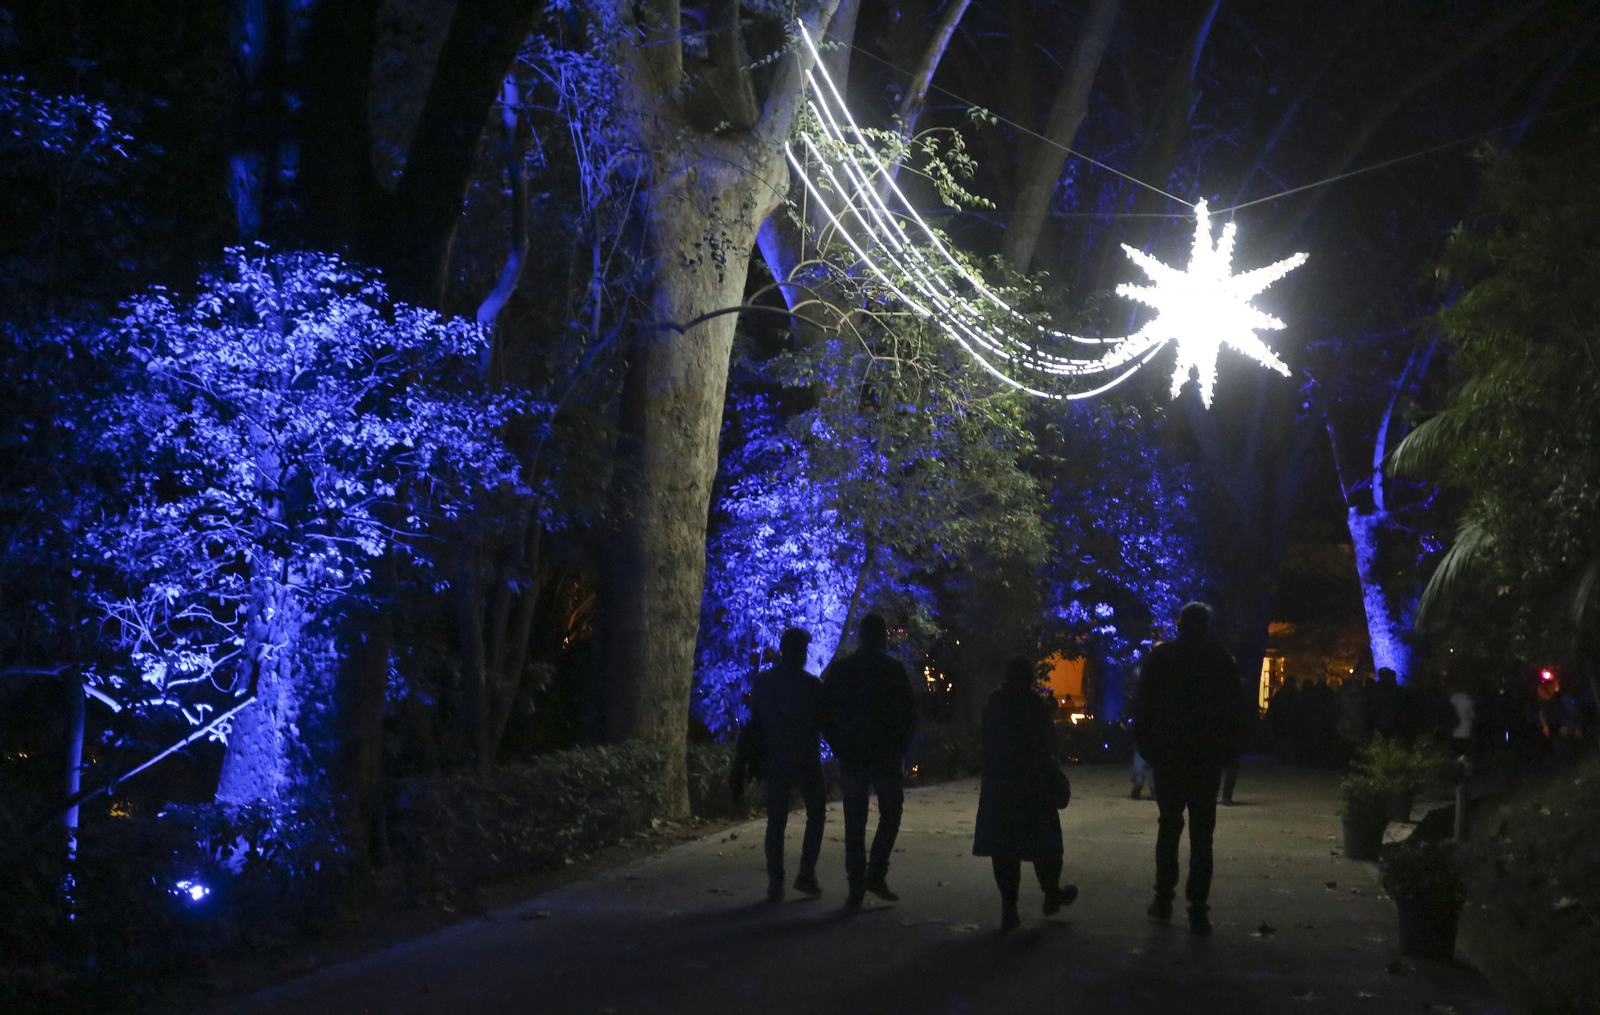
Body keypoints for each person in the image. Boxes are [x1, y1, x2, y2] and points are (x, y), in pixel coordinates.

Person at [1132, 602, 1245, 937]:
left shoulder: (1162, 658)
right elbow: (1234, 712)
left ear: (1180, 624)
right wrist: (1227, 754)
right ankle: (1197, 908)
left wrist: (1148, 749)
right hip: (1205, 758)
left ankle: (1164, 898)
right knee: (1201, 834)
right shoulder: (1219, 660)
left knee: (1169, 827)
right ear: (1206, 626)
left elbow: (1145, 706)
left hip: (1170, 755)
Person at [973, 655, 1079, 931]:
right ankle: (1051, 892)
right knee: (1046, 844)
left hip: (1001, 784)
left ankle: (1010, 909)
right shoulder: (1036, 707)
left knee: (1004, 848)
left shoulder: (993, 705)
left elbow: (985, 743)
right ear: (1031, 678)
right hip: (1033, 783)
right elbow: (1050, 745)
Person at [824, 612, 917, 909]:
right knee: (891, 811)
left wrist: (838, 744)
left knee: (855, 819)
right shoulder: (893, 670)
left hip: (853, 754)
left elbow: (826, 714)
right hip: (884, 755)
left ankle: (856, 884)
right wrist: (901, 749)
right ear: (883, 636)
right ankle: (876, 871)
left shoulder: (842, 670)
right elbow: (908, 716)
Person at [747, 627, 828, 901]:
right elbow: (823, 722)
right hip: (805, 758)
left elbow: (756, 720)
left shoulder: (763, 682)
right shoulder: (812, 686)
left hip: (775, 757)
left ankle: (776, 881)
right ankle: (806, 873)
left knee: (776, 821)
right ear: (801, 652)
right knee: (816, 813)